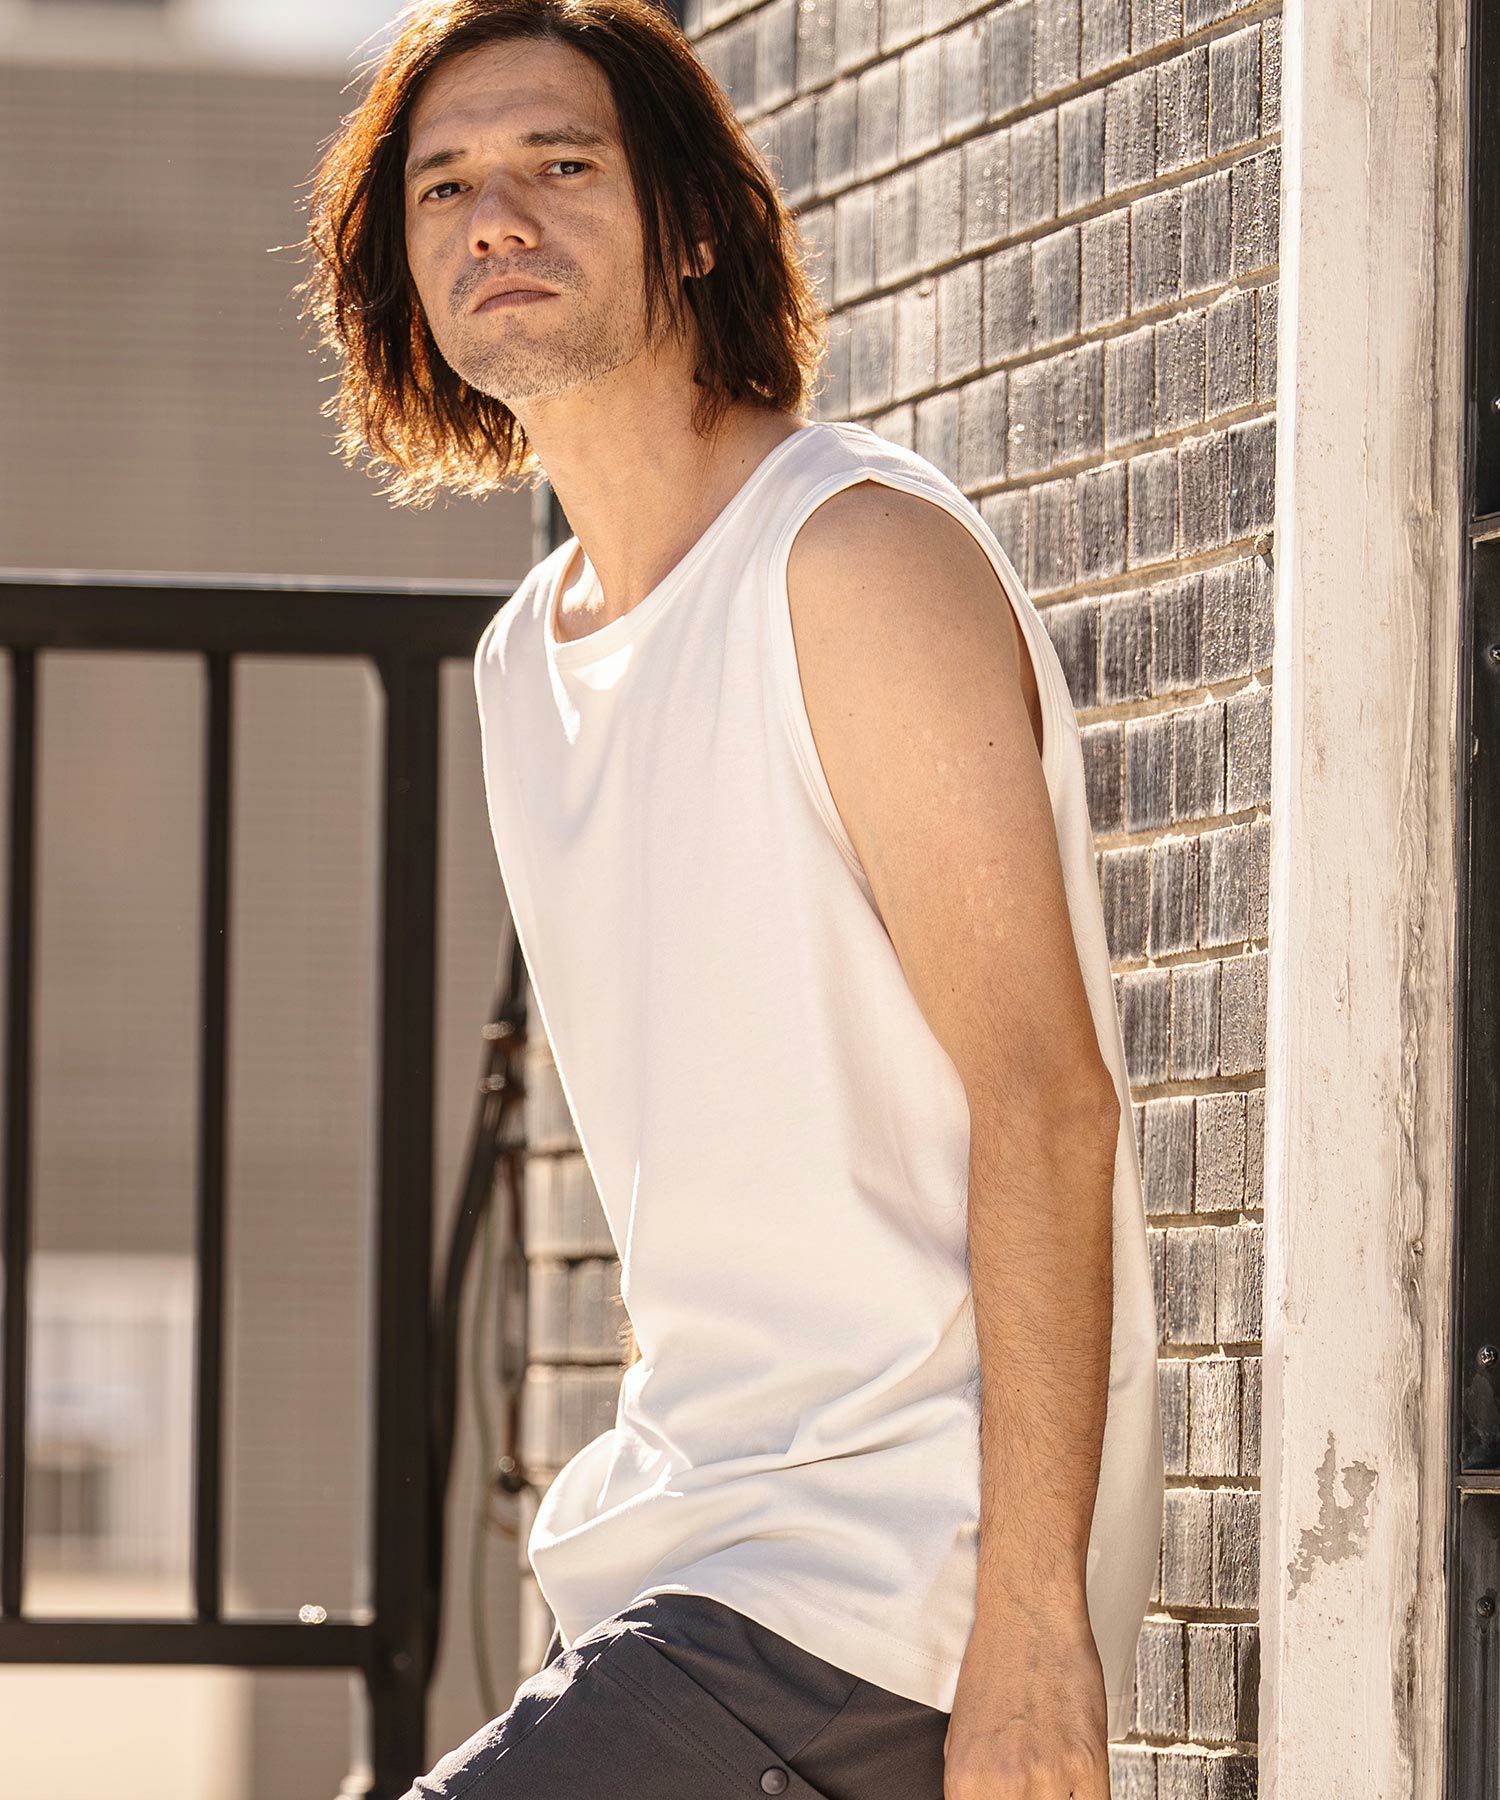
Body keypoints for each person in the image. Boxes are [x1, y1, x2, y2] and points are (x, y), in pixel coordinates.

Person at [298, 2, 1165, 1795]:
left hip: (881, 1580)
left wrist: (1032, 1625)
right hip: (687, 1551)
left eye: (561, 165)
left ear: (691, 221)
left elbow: (1048, 1100)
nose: (496, 218)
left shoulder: (847, 559)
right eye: (444, 186)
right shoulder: (524, 665)